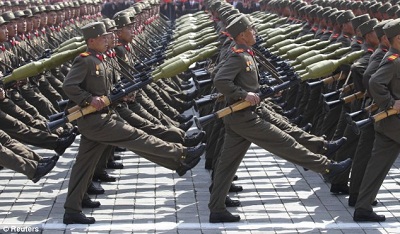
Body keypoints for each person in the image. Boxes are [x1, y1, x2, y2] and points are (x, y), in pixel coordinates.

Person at [208, 14, 352, 223]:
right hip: (243, 117)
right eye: (251, 29)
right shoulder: (237, 55)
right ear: (242, 34)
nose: (254, 32)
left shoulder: (244, 52)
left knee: (227, 164)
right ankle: (327, 167)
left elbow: (239, 79)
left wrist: (257, 90)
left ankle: (216, 208)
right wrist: (243, 94)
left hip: (245, 114)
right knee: (286, 143)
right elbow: (220, 80)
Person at [62, 22, 205, 225]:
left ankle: (73, 207)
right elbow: (69, 86)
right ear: (91, 41)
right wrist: (88, 99)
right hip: (95, 121)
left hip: (104, 116)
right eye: (103, 37)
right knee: (137, 136)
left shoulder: (100, 58)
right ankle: (181, 153)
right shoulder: (84, 61)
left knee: (85, 164)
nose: (107, 39)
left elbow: (108, 88)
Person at [353, 18, 400, 222]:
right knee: (377, 166)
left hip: (390, 125)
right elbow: (374, 82)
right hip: (394, 123)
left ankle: (363, 207)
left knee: (377, 167)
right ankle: (362, 207)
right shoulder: (394, 60)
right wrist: (391, 103)